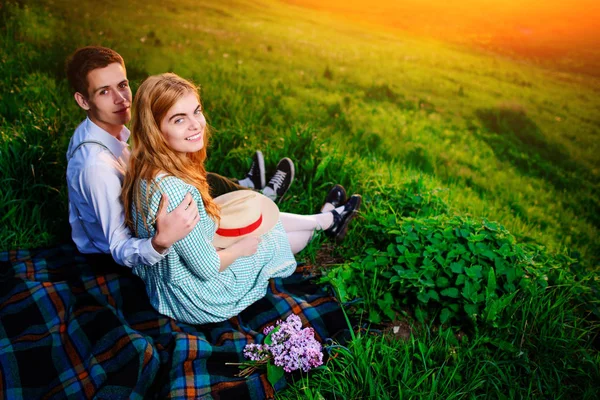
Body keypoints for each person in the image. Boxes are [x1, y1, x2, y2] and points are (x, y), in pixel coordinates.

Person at [121, 73, 361, 324]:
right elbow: (207, 268)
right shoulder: (177, 193)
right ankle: (327, 222)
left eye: (197, 111)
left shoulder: (143, 167)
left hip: (169, 284)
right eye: (179, 119)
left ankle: (326, 219)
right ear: (155, 131)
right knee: (273, 240)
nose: (196, 124)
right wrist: (239, 249)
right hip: (199, 297)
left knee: (260, 221)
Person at [64, 46, 294, 268]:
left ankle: (255, 192)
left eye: (122, 85)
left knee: (205, 181)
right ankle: (272, 201)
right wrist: (161, 241)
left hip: (143, 215)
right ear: (83, 101)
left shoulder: (95, 131)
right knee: (211, 202)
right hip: (125, 253)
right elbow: (118, 246)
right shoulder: (95, 167)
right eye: (104, 91)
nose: (121, 99)